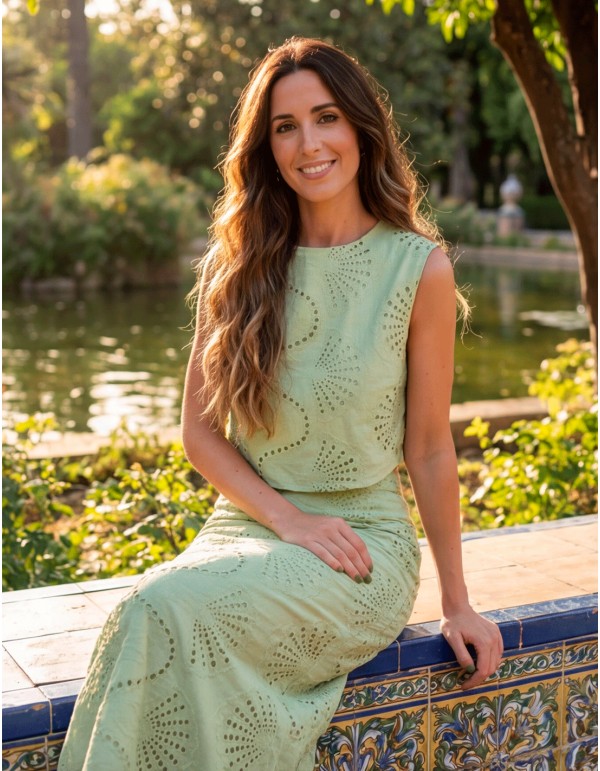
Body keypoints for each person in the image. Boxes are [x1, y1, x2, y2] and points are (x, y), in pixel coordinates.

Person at [58, 36, 504, 771]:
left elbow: (427, 447)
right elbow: (200, 434)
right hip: (248, 528)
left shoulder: (416, 268)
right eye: (285, 126)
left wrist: (458, 600)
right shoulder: (235, 268)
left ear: (361, 127)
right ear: (265, 147)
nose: (309, 143)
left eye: (325, 117)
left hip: (361, 550)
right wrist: (288, 518)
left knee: (162, 608)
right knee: (154, 609)